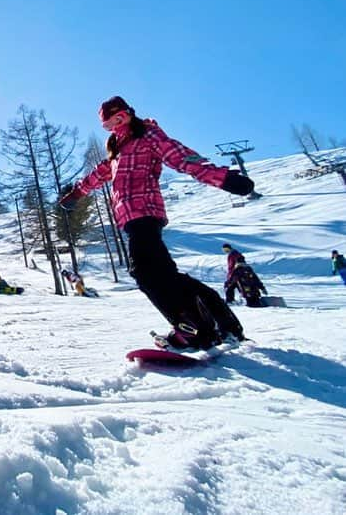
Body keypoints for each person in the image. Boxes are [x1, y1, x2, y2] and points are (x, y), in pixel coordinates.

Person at [59, 96, 254, 350]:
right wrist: (76, 194)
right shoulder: (118, 147)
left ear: (129, 113)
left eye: (119, 118)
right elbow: (100, 174)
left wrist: (223, 178)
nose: (115, 125)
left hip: (145, 212)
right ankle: (224, 323)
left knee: (144, 272)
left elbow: (182, 158)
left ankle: (193, 329)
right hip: (130, 218)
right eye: (109, 124)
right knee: (164, 274)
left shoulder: (148, 134)